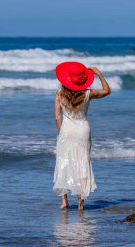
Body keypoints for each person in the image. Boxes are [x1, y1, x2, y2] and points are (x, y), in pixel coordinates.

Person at [53, 61, 111, 210]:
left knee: (63, 162)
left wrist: (61, 132)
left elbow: (57, 117)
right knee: (82, 163)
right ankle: (80, 204)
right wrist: (98, 73)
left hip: (66, 131)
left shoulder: (59, 93)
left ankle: (64, 202)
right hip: (83, 130)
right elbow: (107, 90)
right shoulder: (88, 93)